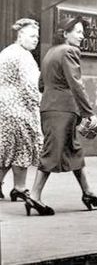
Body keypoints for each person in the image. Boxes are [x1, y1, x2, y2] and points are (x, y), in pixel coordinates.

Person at [27, 16, 97, 216]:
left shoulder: (49, 53)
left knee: (73, 149)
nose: (82, 36)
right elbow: (76, 84)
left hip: (49, 107)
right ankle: (34, 196)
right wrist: (89, 113)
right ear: (65, 34)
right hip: (63, 109)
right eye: (78, 32)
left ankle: (88, 192)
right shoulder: (70, 51)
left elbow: (41, 85)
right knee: (53, 151)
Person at [0, 18, 42, 203]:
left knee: (5, 148)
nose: (36, 40)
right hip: (19, 109)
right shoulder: (24, 56)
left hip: (3, 107)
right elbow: (30, 86)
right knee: (22, 148)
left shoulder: (6, 52)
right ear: (21, 35)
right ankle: (19, 187)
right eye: (32, 36)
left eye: (38, 37)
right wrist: (39, 104)